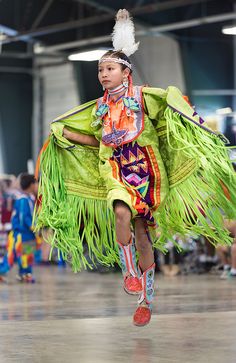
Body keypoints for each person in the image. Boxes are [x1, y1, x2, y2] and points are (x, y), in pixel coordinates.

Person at [35, 9, 236, 326]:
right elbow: (100, 141)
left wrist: (192, 121)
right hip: (114, 170)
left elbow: (173, 113)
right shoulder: (99, 109)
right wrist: (69, 134)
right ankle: (129, 273)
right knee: (120, 212)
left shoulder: (145, 98)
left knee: (144, 236)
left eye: (109, 68)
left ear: (125, 72)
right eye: (100, 69)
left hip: (148, 172)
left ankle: (146, 299)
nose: (103, 74)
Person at [11, 173, 38, 283]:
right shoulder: (23, 200)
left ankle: (26, 273)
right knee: (25, 255)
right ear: (31, 185)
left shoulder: (28, 198)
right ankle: (24, 273)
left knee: (28, 254)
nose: (37, 185)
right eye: (35, 183)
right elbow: (23, 217)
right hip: (23, 233)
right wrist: (32, 226)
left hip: (28, 233)